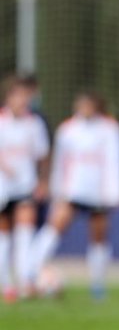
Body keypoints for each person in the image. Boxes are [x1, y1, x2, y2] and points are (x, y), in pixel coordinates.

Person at [30, 92, 119, 299]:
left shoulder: (110, 129)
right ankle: (30, 271)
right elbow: (61, 162)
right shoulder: (68, 130)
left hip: (99, 192)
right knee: (55, 226)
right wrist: (58, 190)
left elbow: (114, 162)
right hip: (73, 190)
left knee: (99, 236)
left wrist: (113, 193)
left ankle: (98, 284)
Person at [0, 76, 50, 302]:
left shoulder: (34, 123)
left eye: (24, 97)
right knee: (4, 234)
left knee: (25, 231)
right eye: (17, 96)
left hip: (25, 185)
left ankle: (24, 280)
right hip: (2, 186)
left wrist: (42, 181)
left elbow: (42, 155)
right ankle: (4, 282)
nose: (22, 101)